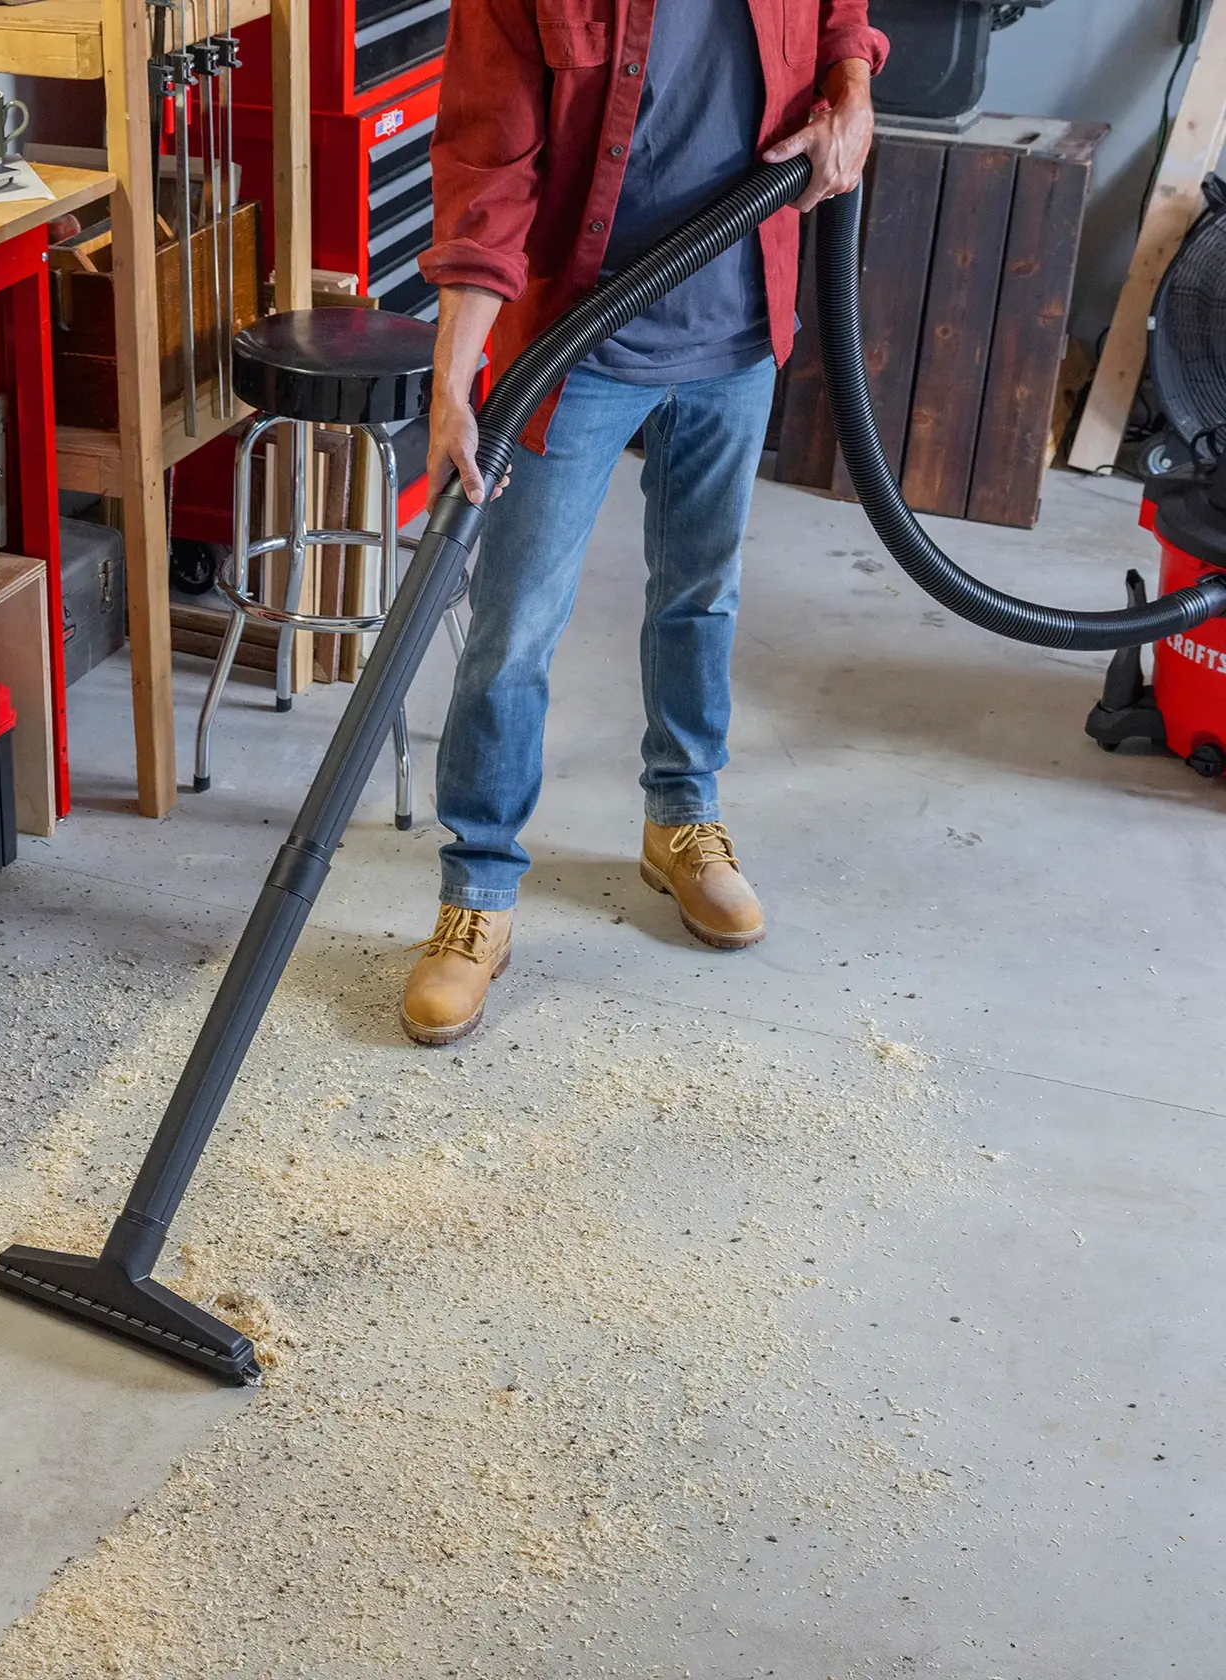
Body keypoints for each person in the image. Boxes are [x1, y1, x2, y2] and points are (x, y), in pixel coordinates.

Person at [399, 0, 888, 1046]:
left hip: (741, 324)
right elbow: (487, 161)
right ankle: (477, 892)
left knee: (701, 592)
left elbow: (843, 20)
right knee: (515, 623)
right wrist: (456, 373)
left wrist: (853, 94)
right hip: (578, 342)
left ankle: (682, 822)